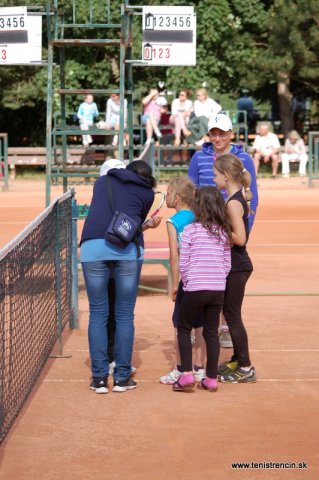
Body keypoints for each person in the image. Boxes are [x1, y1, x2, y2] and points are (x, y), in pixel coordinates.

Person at [80, 160, 161, 394]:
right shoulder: (147, 193)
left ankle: (99, 379)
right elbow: (132, 224)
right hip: (126, 251)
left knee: (97, 313)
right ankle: (122, 378)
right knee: (124, 315)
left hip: (92, 249)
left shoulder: (102, 182)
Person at [187, 113, 258, 348]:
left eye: (222, 133)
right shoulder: (198, 157)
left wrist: (244, 228)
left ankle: (226, 326)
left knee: (229, 279)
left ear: (231, 134)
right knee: (207, 276)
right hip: (205, 228)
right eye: (213, 133)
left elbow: (252, 197)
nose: (217, 138)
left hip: (231, 229)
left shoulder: (243, 158)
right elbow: (191, 192)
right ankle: (201, 326)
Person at [172, 187, 232, 392]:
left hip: (195, 287)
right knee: (211, 332)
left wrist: (187, 282)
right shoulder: (223, 231)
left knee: (183, 327)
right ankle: (211, 378)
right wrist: (218, 280)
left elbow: (184, 261)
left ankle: (187, 374)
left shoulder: (190, 230)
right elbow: (227, 263)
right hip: (217, 289)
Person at [213, 154, 257, 383]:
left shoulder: (232, 202)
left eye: (216, 175)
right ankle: (239, 359)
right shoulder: (237, 197)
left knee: (232, 315)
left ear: (226, 176)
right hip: (235, 264)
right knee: (230, 313)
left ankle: (246, 367)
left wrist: (217, 230)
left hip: (237, 265)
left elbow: (239, 238)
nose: (214, 178)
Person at [160, 177, 206, 385]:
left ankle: (181, 368)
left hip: (188, 280)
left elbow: (174, 256)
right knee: (202, 325)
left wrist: (174, 284)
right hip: (205, 277)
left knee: (180, 325)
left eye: (168, 194)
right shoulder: (200, 216)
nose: (166, 198)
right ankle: (200, 368)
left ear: (176, 199)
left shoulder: (174, 222)